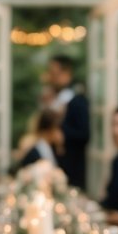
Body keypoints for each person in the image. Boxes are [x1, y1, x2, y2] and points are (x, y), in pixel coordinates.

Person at [46, 54, 90, 189]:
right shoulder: (54, 98)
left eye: (55, 73)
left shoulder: (77, 100)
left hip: (73, 168)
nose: (51, 77)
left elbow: (85, 134)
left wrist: (63, 133)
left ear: (66, 73)